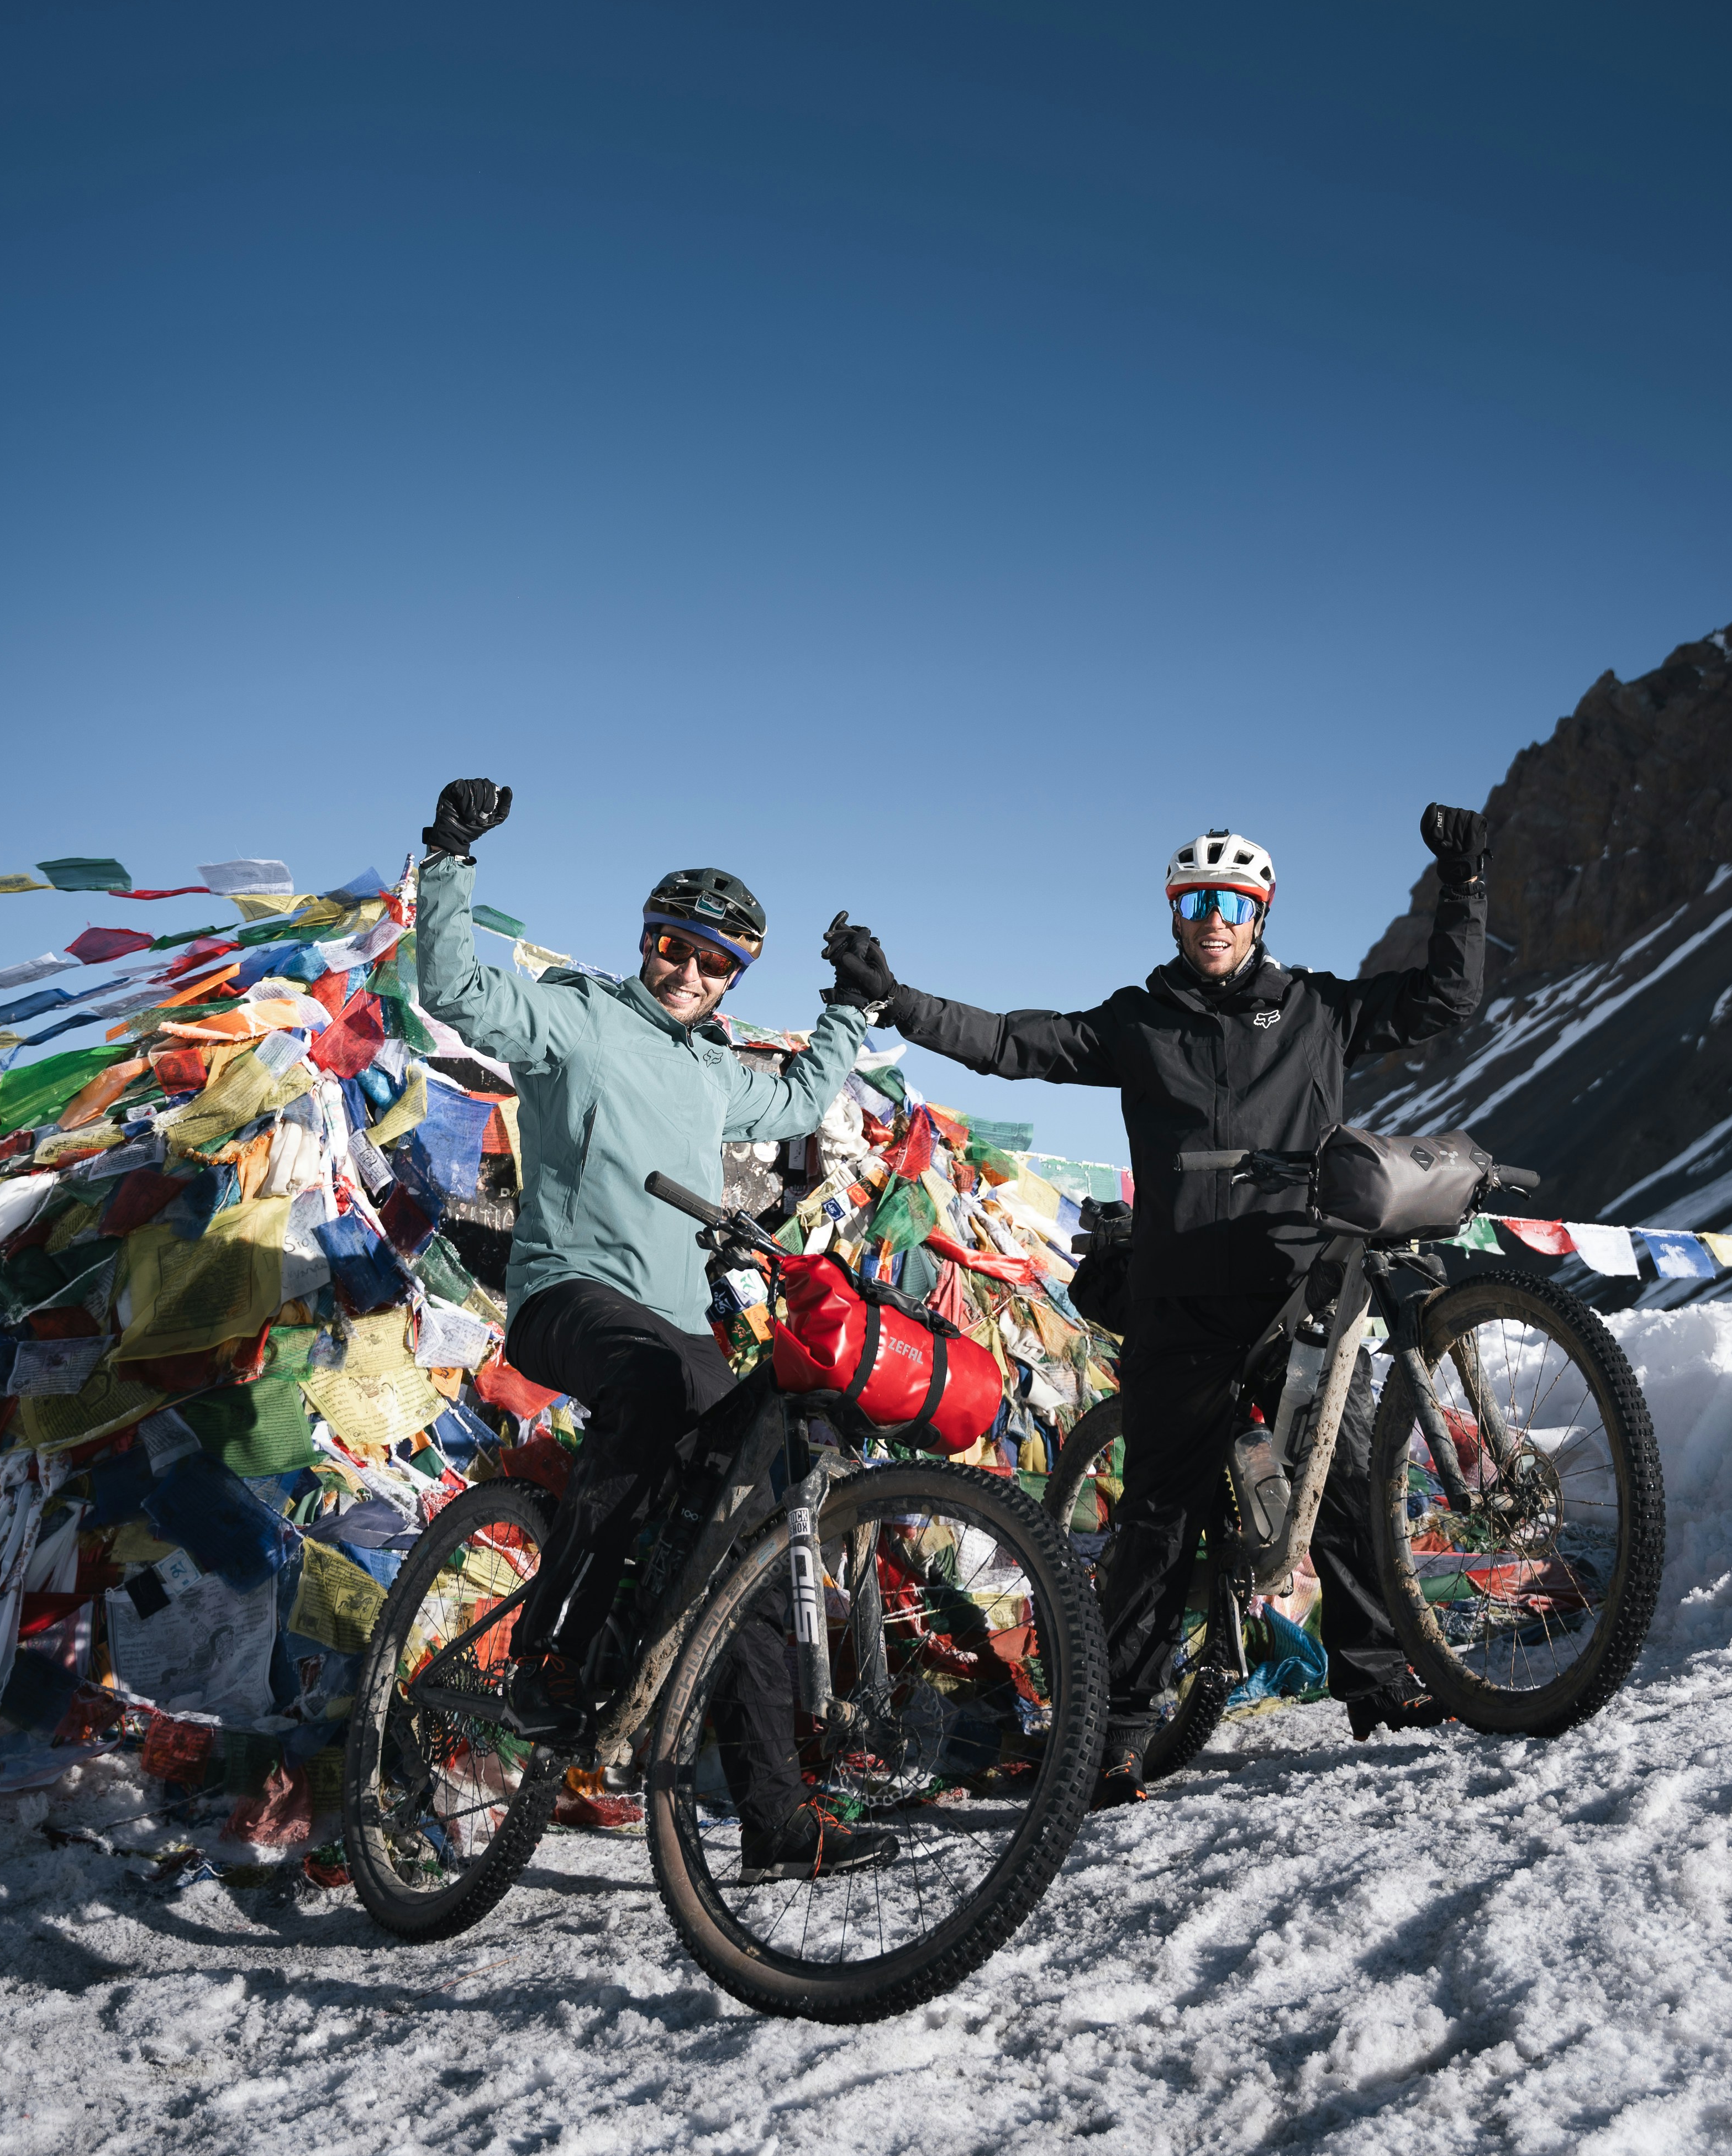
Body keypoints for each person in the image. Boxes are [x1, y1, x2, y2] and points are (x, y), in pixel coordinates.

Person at [818, 808, 1488, 1805]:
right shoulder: (1139, 1019)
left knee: (1344, 1478)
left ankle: (1379, 1680)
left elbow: (1444, 1001)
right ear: (1175, 917)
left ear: (1258, 916)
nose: (1212, 920)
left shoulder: (1316, 1009)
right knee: (1161, 1520)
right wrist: (897, 1000)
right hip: (1181, 1300)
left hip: (1296, 1284)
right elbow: (1011, 1043)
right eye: (1194, 905)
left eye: (1231, 904)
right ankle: (1121, 1731)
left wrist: (1464, 889)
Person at [413, 776, 896, 1882]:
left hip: (681, 1324)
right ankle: (547, 1653)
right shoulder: (572, 1013)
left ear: (732, 979)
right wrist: (448, 857)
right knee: (643, 1392)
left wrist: (853, 1006)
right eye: (672, 948)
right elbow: (450, 985)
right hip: (567, 1294)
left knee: (753, 1533)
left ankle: (777, 1827)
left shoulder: (715, 1071)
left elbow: (800, 1096)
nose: (687, 973)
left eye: (714, 963)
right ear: (646, 941)